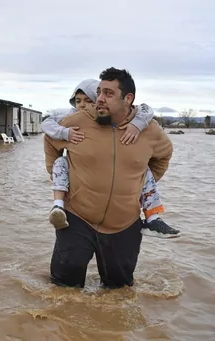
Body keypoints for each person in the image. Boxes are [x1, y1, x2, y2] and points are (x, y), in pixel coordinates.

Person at [44, 67, 174, 288]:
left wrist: (137, 183)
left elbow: (164, 154)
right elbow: (50, 139)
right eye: (99, 92)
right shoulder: (79, 121)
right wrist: (59, 177)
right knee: (63, 292)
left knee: (119, 292)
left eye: (108, 93)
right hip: (77, 219)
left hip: (124, 225)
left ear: (128, 98)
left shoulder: (149, 130)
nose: (100, 99)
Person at [41, 79, 180, 239]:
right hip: (79, 214)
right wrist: (64, 134)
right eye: (78, 101)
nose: (82, 105)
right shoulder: (72, 119)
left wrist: (135, 183)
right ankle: (58, 206)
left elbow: (146, 111)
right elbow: (48, 128)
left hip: (124, 221)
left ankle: (152, 218)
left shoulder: (134, 122)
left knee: (143, 170)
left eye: (88, 101)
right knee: (60, 163)